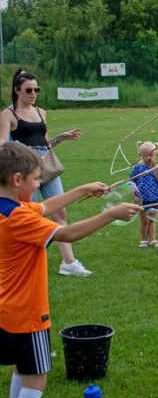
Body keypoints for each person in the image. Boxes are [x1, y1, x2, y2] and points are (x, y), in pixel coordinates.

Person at [0, 141, 140, 398]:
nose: (40, 185)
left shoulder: (10, 207)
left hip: (6, 309)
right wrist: (112, 214)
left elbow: (45, 206)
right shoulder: (20, 219)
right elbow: (66, 233)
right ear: (17, 180)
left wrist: (81, 190)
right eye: (37, 179)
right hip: (27, 311)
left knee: (21, 371)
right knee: (36, 380)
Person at [0, 68, 93, 277]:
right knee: (29, 213)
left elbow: (44, 143)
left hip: (46, 165)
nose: (33, 93)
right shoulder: (8, 114)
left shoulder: (41, 112)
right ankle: (25, 263)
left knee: (60, 211)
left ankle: (69, 262)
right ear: (17, 90)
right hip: (23, 170)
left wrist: (61, 137)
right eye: (29, 90)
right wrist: (25, 159)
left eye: (37, 89)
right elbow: (4, 146)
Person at [132, 141, 158, 248]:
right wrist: (134, 195)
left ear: (156, 155)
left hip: (154, 197)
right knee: (144, 220)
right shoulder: (138, 168)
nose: (150, 158)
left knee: (152, 220)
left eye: (152, 155)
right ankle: (144, 240)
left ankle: (153, 240)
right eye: (147, 155)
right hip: (142, 199)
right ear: (141, 156)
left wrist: (154, 168)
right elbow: (131, 182)